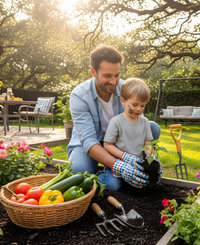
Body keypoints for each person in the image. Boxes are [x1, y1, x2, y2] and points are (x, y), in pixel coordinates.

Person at [67, 45, 160, 191]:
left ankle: (132, 170)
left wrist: (151, 159)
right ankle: (116, 171)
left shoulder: (126, 88)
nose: (114, 81)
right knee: (77, 172)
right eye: (107, 76)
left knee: (152, 127)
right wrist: (119, 165)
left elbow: (138, 126)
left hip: (118, 142)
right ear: (93, 72)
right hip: (90, 144)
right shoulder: (79, 96)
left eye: (117, 75)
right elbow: (88, 141)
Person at [103, 78, 162, 185]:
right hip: (119, 163)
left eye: (142, 105)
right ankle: (101, 175)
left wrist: (150, 157)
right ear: (123, 101)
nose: (139, 109)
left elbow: (148, 142)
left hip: (136, 164)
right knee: (113, 185)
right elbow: (107, 145)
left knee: (144, 183)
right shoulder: (116, 121)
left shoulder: (144, 122)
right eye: (135, 105)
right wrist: (124, 156)